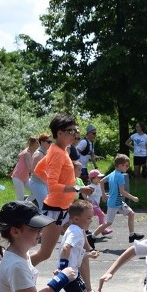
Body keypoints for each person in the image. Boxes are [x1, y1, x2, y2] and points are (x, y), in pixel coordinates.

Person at [30, 114, 94, 267]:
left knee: (82, 249)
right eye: (71, 131)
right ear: (59, 133)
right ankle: (11, 271)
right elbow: (52, 185)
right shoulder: (58, 154)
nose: (75, 134)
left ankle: (87, 290)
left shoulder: (61, 149)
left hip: (64, 208)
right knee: (44, 254)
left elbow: (38, 170)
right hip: (55, 212)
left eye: (75, 130)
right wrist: (79, 187)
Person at [43, 199, 100, 292]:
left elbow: (75, 253)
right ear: (76, 218)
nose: (91, 220)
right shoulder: (75, 232)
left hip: (73, 270)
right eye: (88, 218)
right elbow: (66, 248)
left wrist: (88, 254)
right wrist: (63, 269)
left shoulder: (77, 229)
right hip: (68, 272)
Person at [91, 154, 144, 242]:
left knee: (131, 214)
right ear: (120, 165)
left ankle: (132, 235)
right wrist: (133, 198)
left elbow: (101, 181)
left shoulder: (113, 173)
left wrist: (104, 194)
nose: (127, 167)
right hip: (114, 203)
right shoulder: (120, 176)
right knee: (108, 223)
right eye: (126, 165)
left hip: (119, 202)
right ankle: (91, 237)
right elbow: (122, 192)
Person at [28, 133, 52, 208]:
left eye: (51, 142)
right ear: (42, 142)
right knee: (44, 205)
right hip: (37, 183)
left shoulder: (46, 153)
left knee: (47, 205)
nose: (50, 143)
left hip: (44, 183)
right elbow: (33, 170)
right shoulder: (38, 154)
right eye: (48, 142)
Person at [12, 136, 38, 201]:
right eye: (37, 143)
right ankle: (19, 208)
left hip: (25, 177)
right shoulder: (27, 153)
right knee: (20, 198)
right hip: (18, 177)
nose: (39, 144)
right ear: (33, 144)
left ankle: (25, 204)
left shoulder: (30, 151)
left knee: (36, 192)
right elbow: (30, 169)